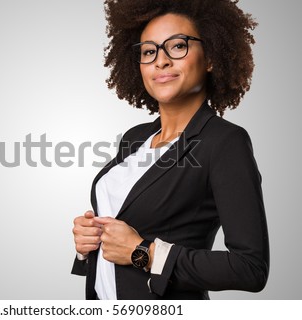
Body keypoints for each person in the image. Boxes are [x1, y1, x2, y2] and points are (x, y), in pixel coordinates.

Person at [71, 0, 269, 300]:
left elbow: (250, 268)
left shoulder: (225, 142)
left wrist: (144, 254)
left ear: (211, 57)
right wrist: (90, 244)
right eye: (149, 51)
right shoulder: (136, 138)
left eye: (177, 46)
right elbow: (125, 230)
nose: (160, 61)